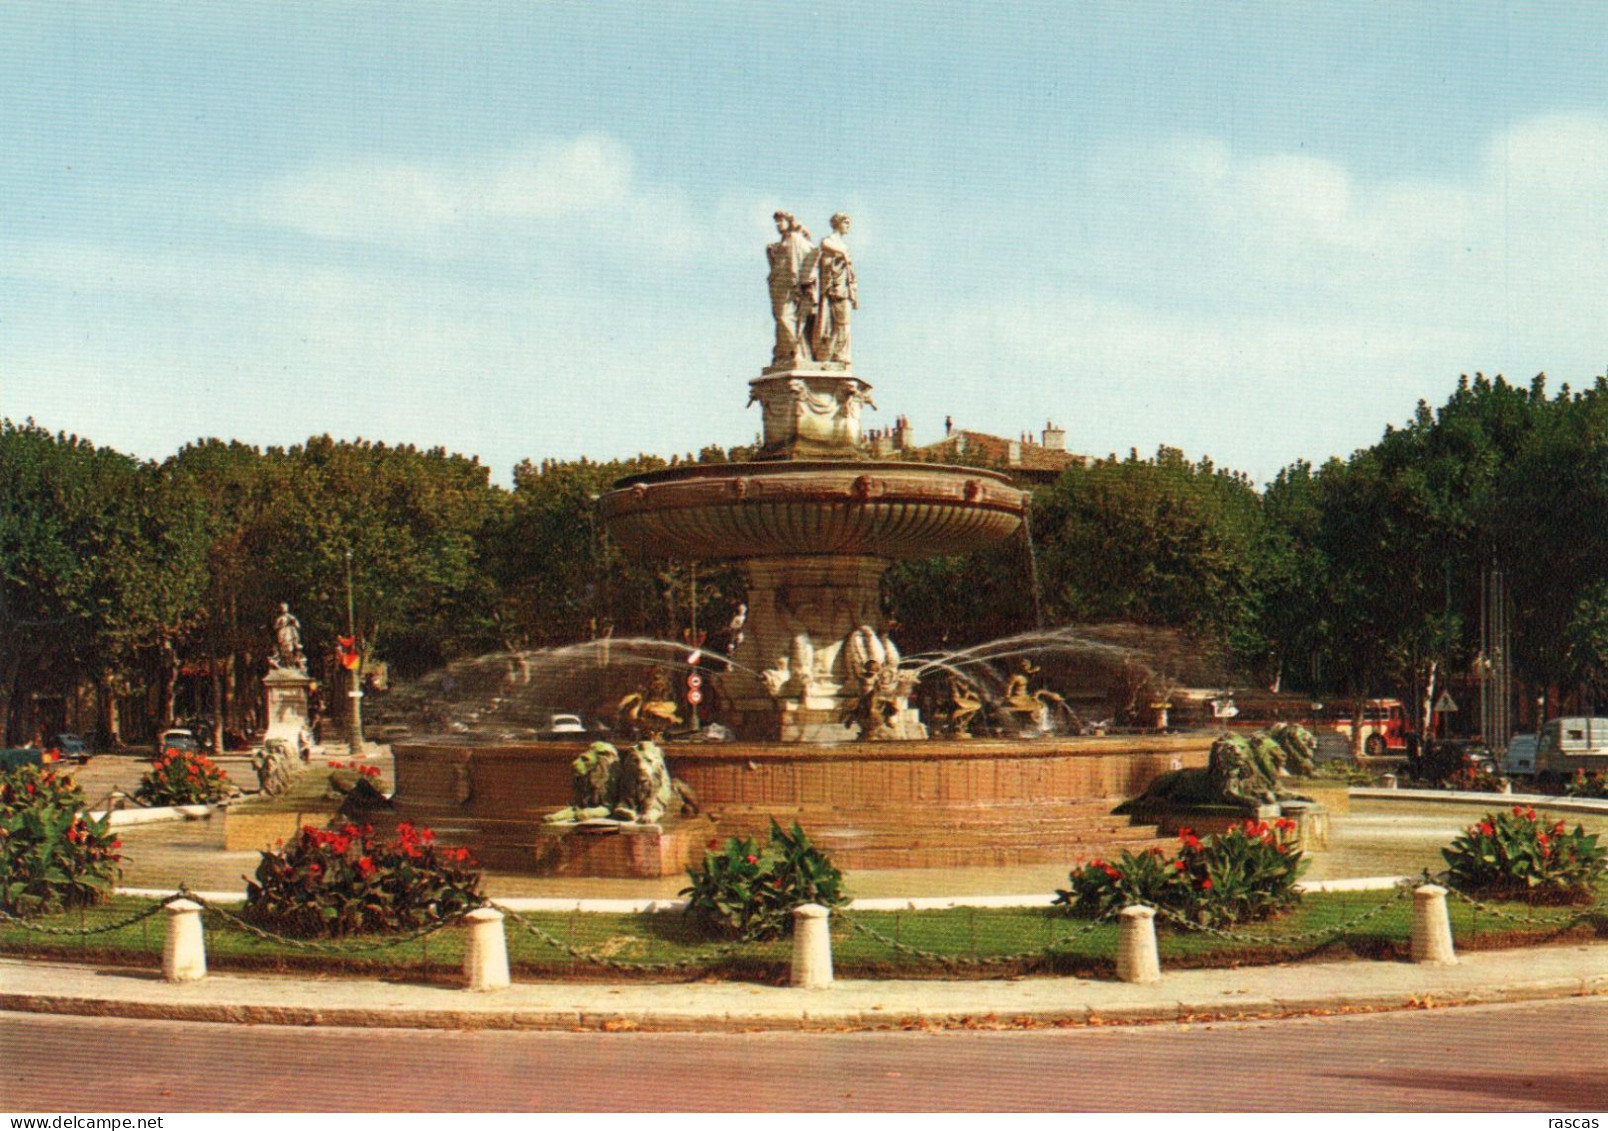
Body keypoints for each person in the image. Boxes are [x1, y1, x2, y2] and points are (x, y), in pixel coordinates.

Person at [766, 212, 814, 366]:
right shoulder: (783, 241)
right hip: (778, 283)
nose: (778, 225)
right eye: (776, 222)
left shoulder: (794, 238)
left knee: (784, 316)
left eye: (781, 221)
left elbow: (808, 254)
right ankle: (787, 352)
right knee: (781, 317)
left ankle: (795, 351)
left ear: (788, 222)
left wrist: (797, 280)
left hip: (787, 283)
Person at [812, 212, 857, 364]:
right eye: (846, 222)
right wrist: (842, 253)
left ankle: (840, 354)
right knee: (835, 323)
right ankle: (835, 354)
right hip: (833, 290)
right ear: (837, 223)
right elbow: (824, 246)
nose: (848, 226)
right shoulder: (829, 241)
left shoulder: (843, 245)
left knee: (843, 323)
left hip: (842, 289)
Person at [273, 603, 305, 672]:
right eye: (282, 607)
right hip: (282, 633)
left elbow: (298, 626)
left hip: (289, 633)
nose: (284, 609)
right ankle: (284, 664)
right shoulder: (279, 618)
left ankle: (292, 663)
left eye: (285, 607)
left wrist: (293, 621)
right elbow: (275, 627)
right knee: (282, 648)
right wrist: (281, 625)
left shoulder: (291, 617)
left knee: (290, 648)